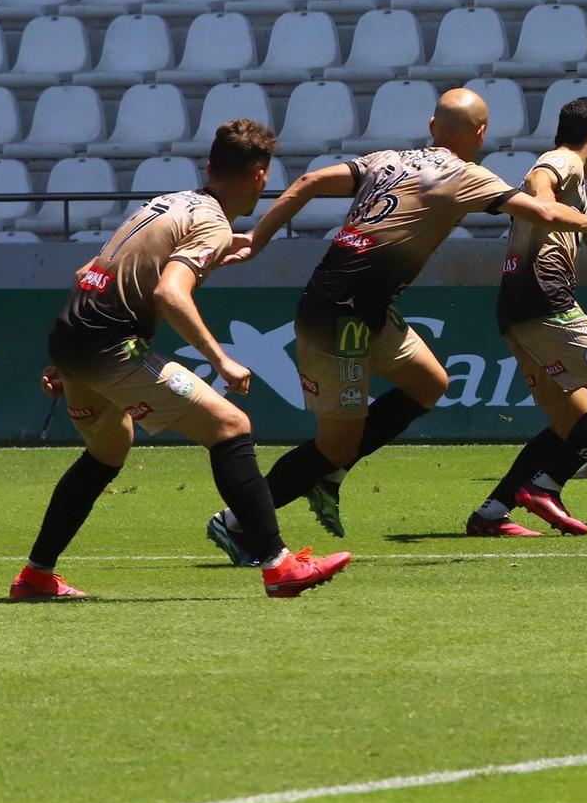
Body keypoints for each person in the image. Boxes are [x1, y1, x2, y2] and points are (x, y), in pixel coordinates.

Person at [205, 87, 587, 551]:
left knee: (429, 384)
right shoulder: (466, 176)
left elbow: (306, 184)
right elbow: (542, 209)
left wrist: (256, 241)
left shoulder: (384, 159)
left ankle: (330, 471)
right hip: (341, 316)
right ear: (481, 133)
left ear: (431, 127)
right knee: (334, 445)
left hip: (359, 304)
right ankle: (238, 521)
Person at [17, 120, 349, 600]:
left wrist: (66, 359)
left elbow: (87, 271)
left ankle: (36, 576)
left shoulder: (168, 203)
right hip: (114, 346)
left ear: (210, 166)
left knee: (107, 450)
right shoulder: (212, 222)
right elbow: (170, 293)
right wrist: (223, 360)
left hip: (75, 336)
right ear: (260, 176)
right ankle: (279, 565)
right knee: (230, 425)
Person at [466, 97, 587, 536]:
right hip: (545, 301)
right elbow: (538, 185)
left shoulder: (574, 184)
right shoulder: (562, 161)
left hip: (516, 306)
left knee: (573, 421)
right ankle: (545, 486)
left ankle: (492, 513)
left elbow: (551, 221)